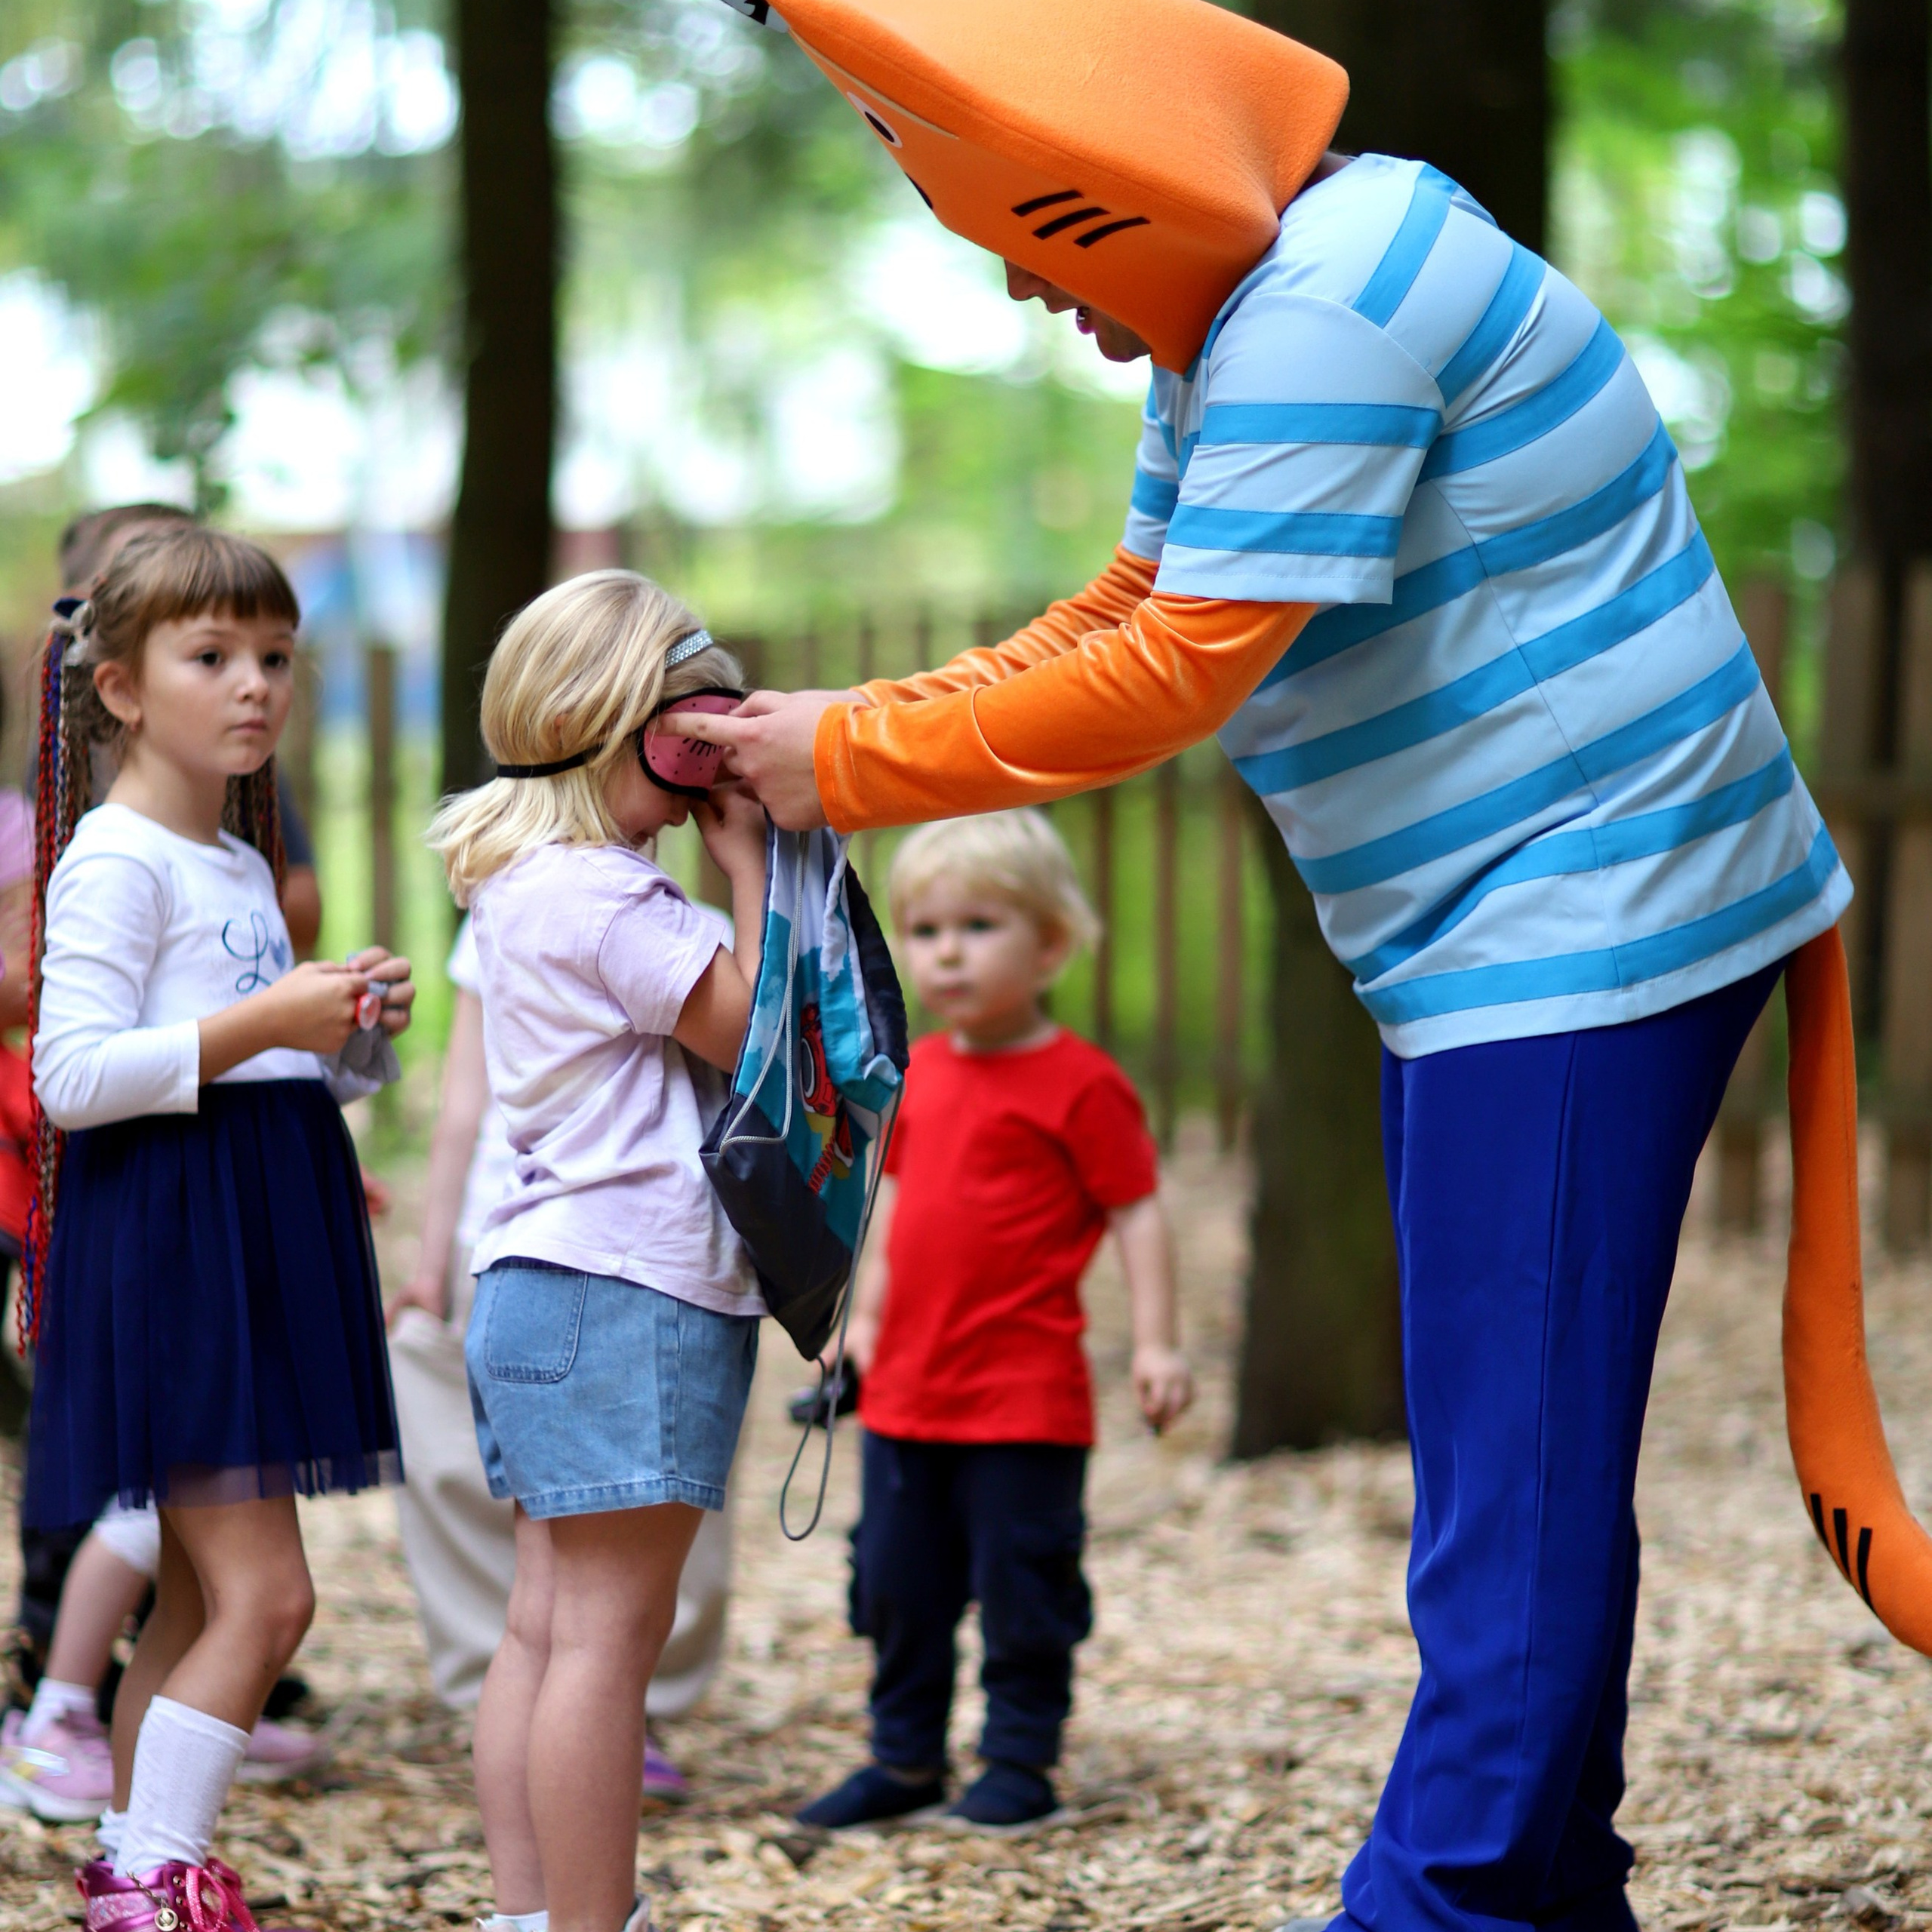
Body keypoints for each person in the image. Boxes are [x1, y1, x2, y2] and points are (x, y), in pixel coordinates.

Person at [689, 5, 1875, 1931]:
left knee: (1512, 1470)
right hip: (1503, 935)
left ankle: (1445, 1896)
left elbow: (1173, 671)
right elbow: (1130, 602)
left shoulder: (1321, 311)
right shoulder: (1267, 298)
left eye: (1030, 235)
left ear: (1117, 179)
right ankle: (1541, 1878)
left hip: (1582, 920)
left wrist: (838, 755)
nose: (1015, 286)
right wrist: (845, 724)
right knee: (1519, 1447)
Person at [25, 523, 414, 1930]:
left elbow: (269, 1066)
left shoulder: (238, 864)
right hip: (178, 1250)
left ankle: (132, 1863)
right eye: (213, 658)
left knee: (194, 1601)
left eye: (275, 657)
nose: (255, 685)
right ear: (124, 688)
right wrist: (263, 1016)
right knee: (271, 1603)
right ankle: (150, 1878)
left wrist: (349, 1032)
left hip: (252, 1235)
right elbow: (69, 1078)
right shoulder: (117, 860)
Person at [425, 571, 768, 1932]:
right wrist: (748, 862)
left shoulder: (524, 887)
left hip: (535, 1289)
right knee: (612, 1650)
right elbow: (754, 1030)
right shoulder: (617, 906)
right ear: (613, 723)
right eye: (693, 719)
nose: (712, 742)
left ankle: (531, 1917)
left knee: (545, 1629)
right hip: (632, 1290)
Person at [796, 811, 1192, 1835]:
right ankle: (904, 1757)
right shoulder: (916, 1077)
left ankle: (1019, 1762)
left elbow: (1137, 1211)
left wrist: (1156, 1342)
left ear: (1051, 942)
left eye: (981, 925)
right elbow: (901, 1213)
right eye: (927, 931)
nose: (949, 952)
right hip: (908, 1397)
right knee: (895, 1584)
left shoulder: (1083, 1084)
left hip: (1024, 1400)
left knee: (1024, 1587)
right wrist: (862, 1327)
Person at [384, 911, 737, 1795]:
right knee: (602, 1587)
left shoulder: (512, 909)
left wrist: (438, 1258)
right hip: (621, 1256)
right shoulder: (668, 923)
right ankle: (607, 1733)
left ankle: (538, 1861)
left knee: (546, 1598)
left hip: (513, 1244)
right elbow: (764, 1062)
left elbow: (465, 1101)